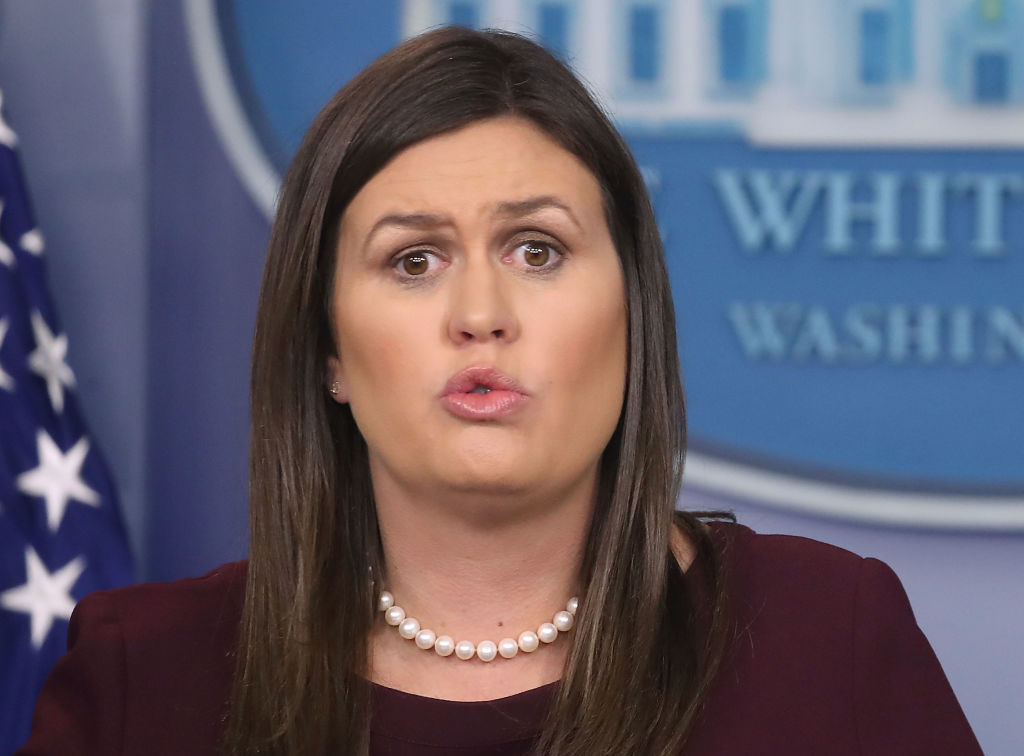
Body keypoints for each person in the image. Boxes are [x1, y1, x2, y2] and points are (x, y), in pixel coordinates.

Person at [19, 27, 980, 756]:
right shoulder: (142, 678)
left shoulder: (829, 634)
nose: (481, 312)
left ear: (632, 315)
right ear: (330, 353)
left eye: (538, 249)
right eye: (413, 259)